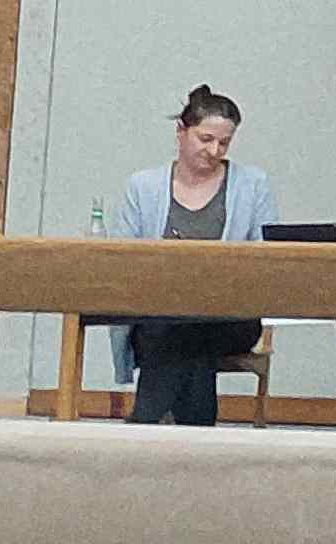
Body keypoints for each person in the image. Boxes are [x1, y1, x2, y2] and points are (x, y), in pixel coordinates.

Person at [111, 86, 274, 426]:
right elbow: (122, 259)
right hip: (158, 313)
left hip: (229, 317)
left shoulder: (253, 184)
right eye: (206, 139)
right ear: (181, 132)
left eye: (224, 143)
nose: (214, 151)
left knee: (178, 331)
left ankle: (144, 423)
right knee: (183, 334)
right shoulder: (143, 186)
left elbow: (270, 258)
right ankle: (197, 433)